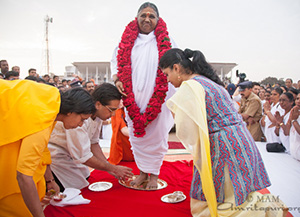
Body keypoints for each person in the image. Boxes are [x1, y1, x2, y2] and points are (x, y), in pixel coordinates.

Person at [159, 48, 287, 217]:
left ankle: (265, 211)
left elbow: (186, 127)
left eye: (167, 74)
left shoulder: (190, 86)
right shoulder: (206, 81)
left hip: (224, 144)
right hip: (240, 139)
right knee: (238, 191)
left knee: (228, 200)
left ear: (176, 68)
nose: (168, 81)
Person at [0, 79, 95, 217]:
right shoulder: (42, 120)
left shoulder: (52, 97)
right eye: (82, 119)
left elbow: (42, 150)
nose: (81, 125)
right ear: (71, 112)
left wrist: (50, 180)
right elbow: (23, 176)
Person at [110, 2, 176, 189]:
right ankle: (142, 173)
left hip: (159, 99)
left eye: (151, 16)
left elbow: (176, 67)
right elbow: (115, 63)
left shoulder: (167, 41)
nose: (147, 19)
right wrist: (117, 81)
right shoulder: (125, 41)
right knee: (137, 136)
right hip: (133, 98)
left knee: (157, 135)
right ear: (137, 18)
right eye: (143, 15)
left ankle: (154, 175)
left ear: (158, 19)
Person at [48, 83, 133, 191]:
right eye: (111, 110)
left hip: (73, 156)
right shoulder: (78, 117)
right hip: (58, 156)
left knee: (85, 177)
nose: (112, 115)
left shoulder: (97, 116)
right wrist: (112, 168)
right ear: (98, 104)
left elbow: (94, 143)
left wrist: (109, 167)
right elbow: (83, 156)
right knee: (76, 188)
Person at [109, 100, 134, 165]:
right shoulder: (117, 111)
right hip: (123, 149)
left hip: (134, 147)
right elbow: (124, 130)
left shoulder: (132, 108)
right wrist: (139, 135)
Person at [289, 93, 300, 160]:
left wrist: (294, 120)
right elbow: (286, 133)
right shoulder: (295, 113)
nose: (298, 101)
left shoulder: (295, 118)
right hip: (294, 156)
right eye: (297, 99)